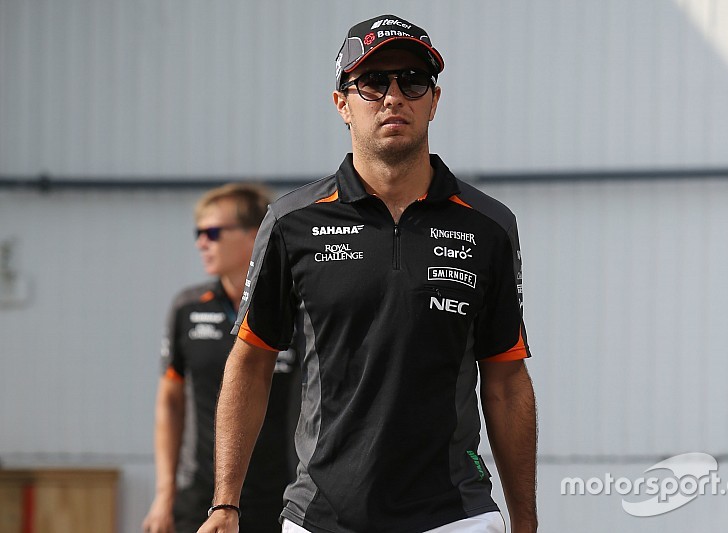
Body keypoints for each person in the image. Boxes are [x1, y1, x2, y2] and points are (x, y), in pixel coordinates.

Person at [200, 14, 538, 533]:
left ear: (434, 100)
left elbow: (507, 379)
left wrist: (526, 521)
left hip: (456, 516)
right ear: (342, 103)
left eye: (412, 81)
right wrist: (226, 504)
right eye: (373, 82)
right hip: (322, 517)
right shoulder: (292, 222)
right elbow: (250, 362)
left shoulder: (489, 226)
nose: (393, 96)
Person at [142, 183, 299, 533]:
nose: (201, 242)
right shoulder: (188, 308)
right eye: (199, 233)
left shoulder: (299, 310)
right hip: (203, 496)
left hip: (284, 497)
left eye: (212, 232)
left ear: (254, 236)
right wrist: (164, 494)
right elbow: (169, 403)